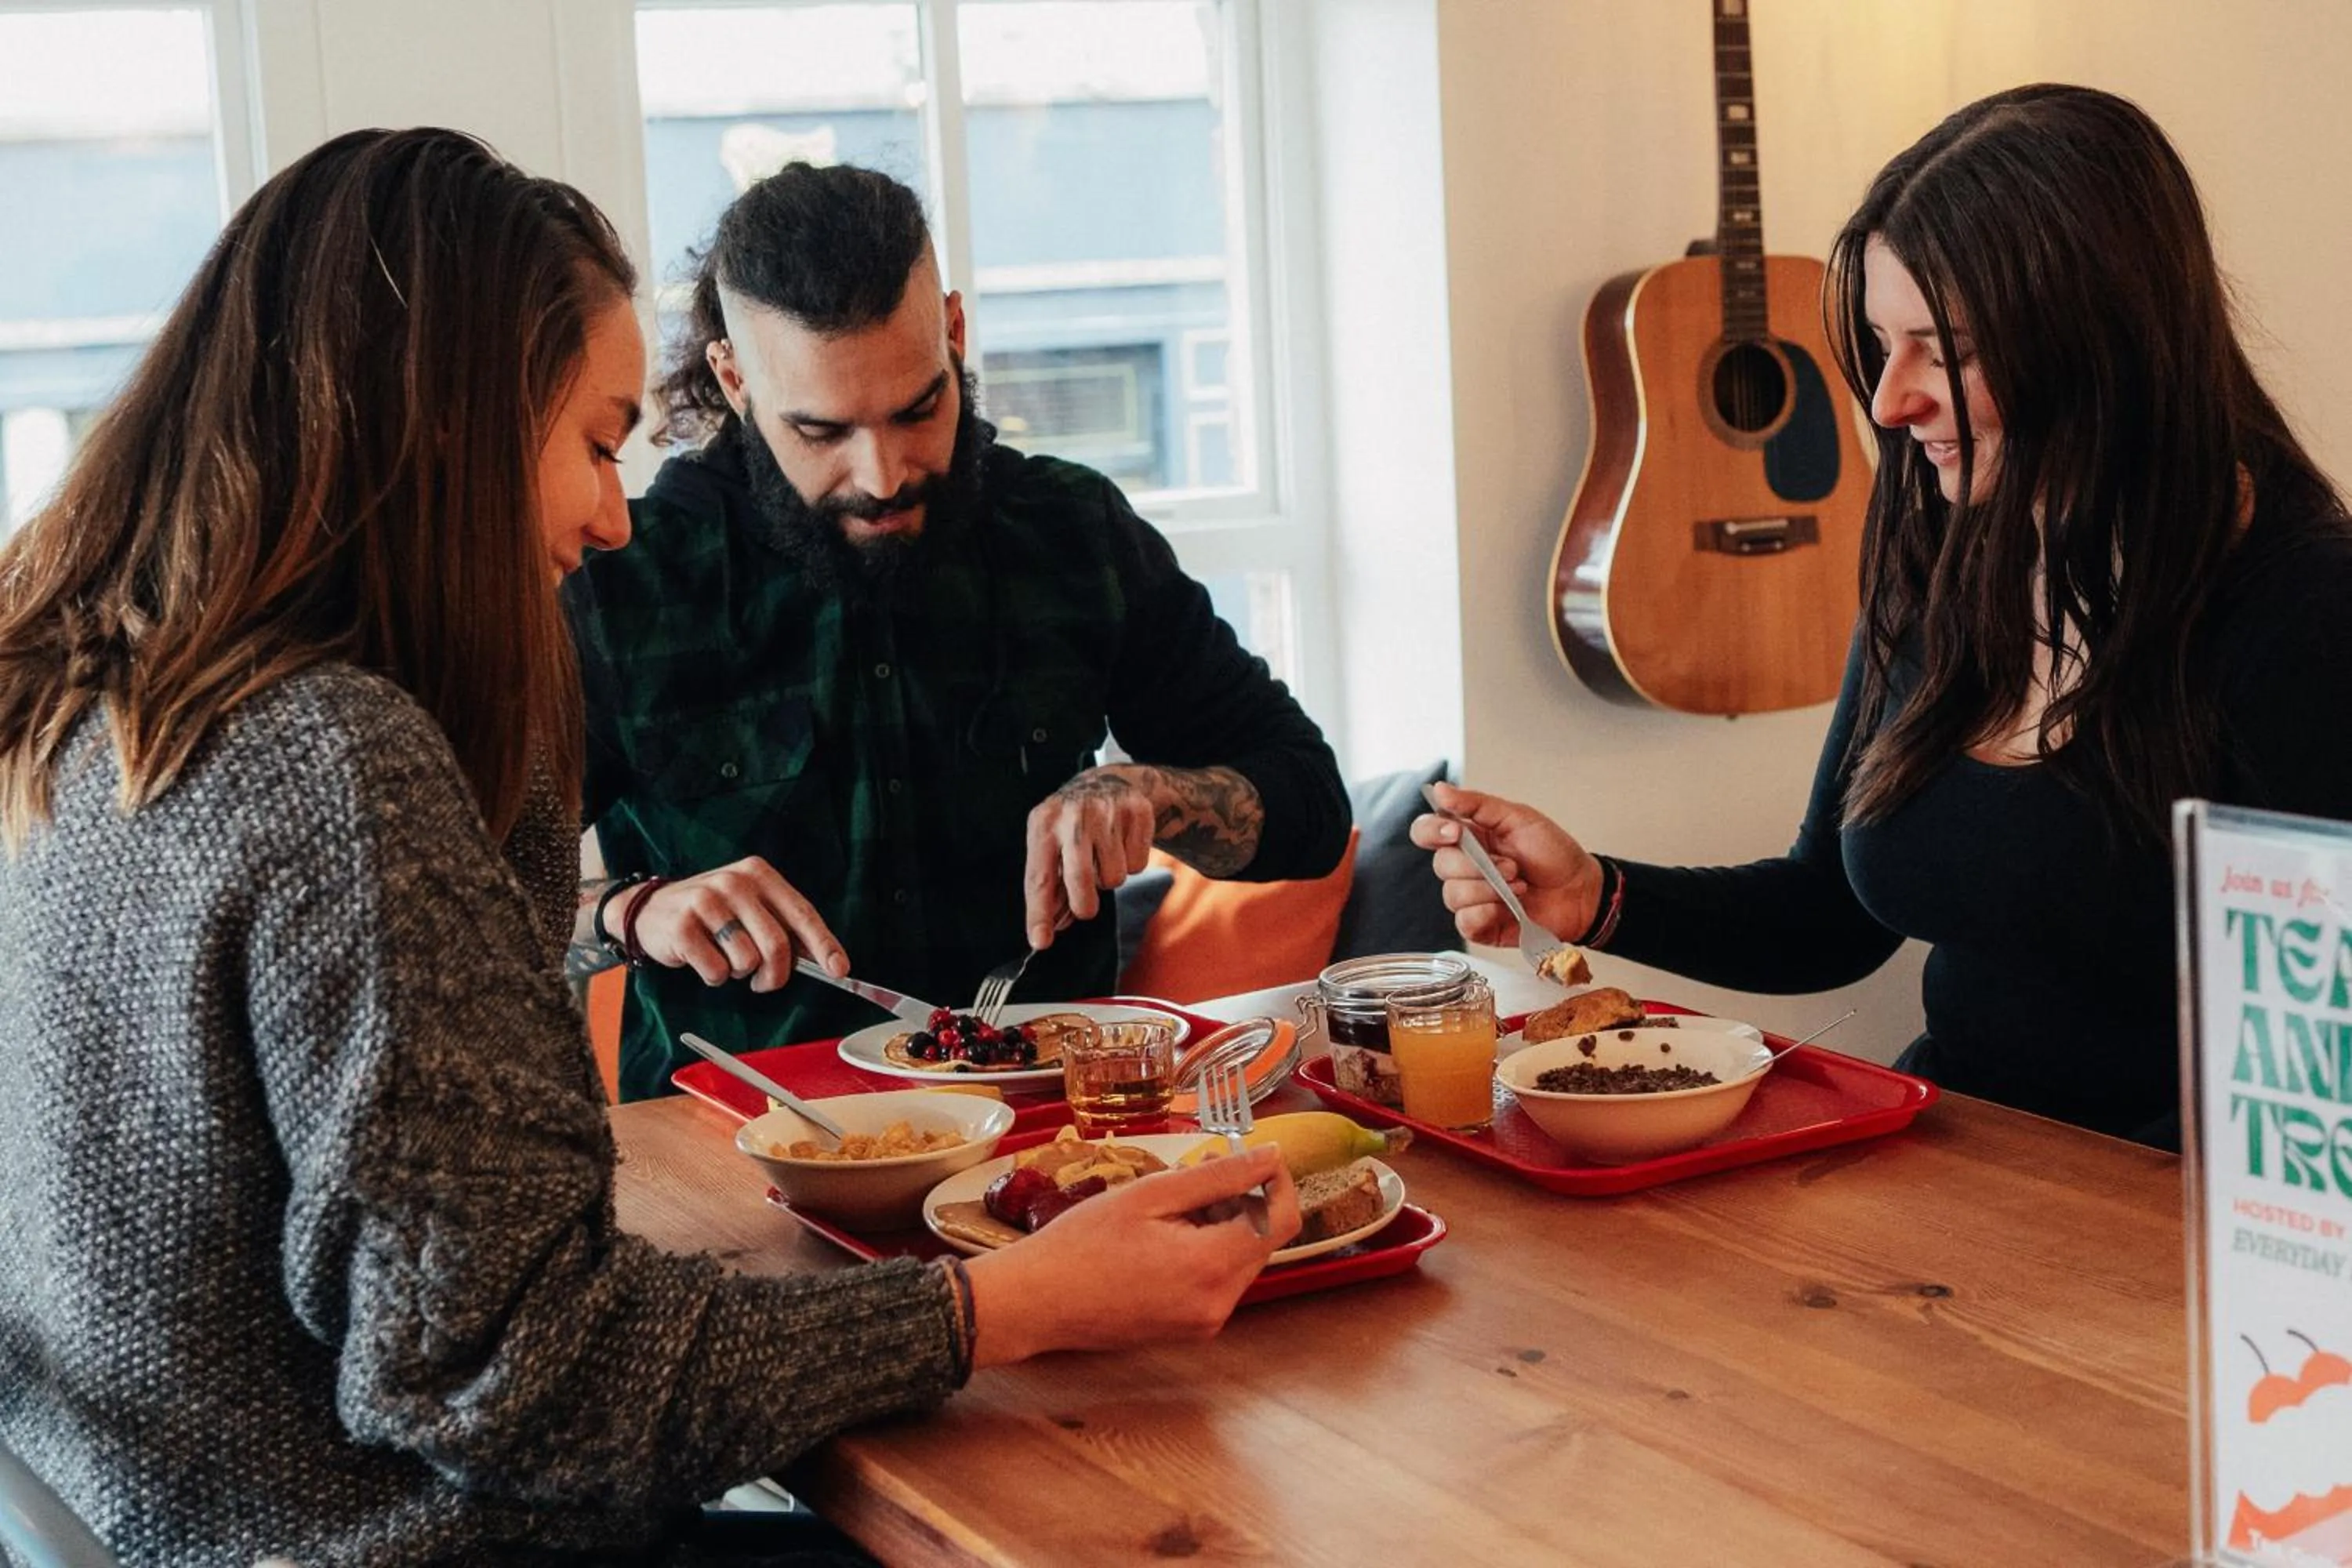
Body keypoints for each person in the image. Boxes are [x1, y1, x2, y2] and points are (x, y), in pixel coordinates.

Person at [0, 128, 1298, 1567]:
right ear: (448, 425)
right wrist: (1013, 1308)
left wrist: (1162, 797)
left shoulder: (90, 709)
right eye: (597, 445)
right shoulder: (334, 759)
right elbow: (519, 1376)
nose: (612, 510)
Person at [1415, 85, 2352, 1149]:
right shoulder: (1940, 550)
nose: (1888, 403)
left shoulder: (2302, 606)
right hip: (1949, 1162)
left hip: (2179, 1220)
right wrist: (1596, 895)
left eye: (1943, 349)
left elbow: (2323, 1056)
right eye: (1880, 342)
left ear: (2099, 341)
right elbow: (1832, 912)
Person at [562, 162, 1350, 1102]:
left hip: (1050, 1140)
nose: (885, 474)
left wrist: (1152, 793)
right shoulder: (622, 579)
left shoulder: (1073, 532)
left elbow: (1311, 805)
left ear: (956, 335)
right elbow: (466, 907)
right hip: (737, 1167)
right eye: (823, 431)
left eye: (917, 408)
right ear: (735, 380)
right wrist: (633, 910)